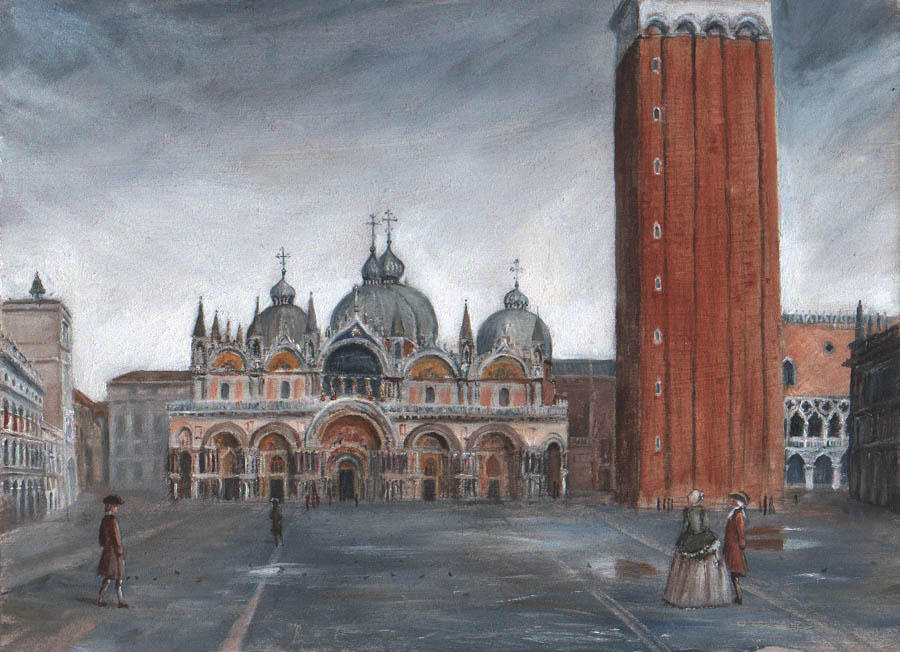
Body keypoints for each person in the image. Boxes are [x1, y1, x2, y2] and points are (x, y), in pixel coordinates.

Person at [663, 489, 734, 608]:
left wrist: (682, 539)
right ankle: (708, 596)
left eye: (689, 497)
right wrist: (707, 536)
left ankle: (687, 596)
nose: (688, 498)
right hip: (704, 537)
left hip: (691, 540)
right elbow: (706, 526)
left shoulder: (687, 511)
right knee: (707, 565)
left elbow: (685, 527)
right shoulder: (702, 510)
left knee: (686, 567)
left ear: (692, 499)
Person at [97, 495, 128, 608]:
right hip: (115, 552)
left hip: (107, 551)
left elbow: (101, 539)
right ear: (110, 507)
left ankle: (101, 598)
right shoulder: (113, 521)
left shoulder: (104, 520)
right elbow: (116, 538)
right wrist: (119, 551)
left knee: (109, 577)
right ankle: (120, 601)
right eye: (116, 506)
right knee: (118, 577)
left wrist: (106, 545)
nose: (117, 509)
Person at [724, 490, 750, 605]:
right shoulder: (734, 512)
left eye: (735, 499)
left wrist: (742, 542)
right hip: (731, 545)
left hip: (735, 546)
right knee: (734, 572)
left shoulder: (738, 514)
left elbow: (740, 531)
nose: (732, 500)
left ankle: (739, 596)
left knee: (734, 572)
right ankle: (738, 596)